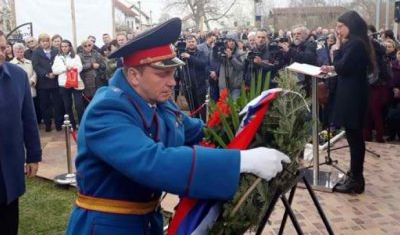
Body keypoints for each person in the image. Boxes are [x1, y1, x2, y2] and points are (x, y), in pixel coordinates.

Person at [66, 18, 290, 234]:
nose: (172, 82)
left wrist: (247, 122)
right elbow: (153, 161)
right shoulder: (107, 110)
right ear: (134, 75)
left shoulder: (156, 101)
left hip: (146, 221)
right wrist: (241, 161)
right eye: (163, 74)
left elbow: (202, 132)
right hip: (107, 227)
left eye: (173, 73)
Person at [321, 10, 376, 194]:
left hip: (353, 96)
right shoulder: (354, 43)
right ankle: (354, 175)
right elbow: (343, 66)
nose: (337, 30)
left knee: (354, 137)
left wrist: (336, 50)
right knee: (353, 136)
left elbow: (343, 67)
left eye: (340, 26)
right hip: (352, 93)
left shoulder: (355, 44)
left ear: (350, 26)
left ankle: (356, 180)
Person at [0, 30, 42, 235]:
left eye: (2, 48)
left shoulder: (17, 76)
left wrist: (33, 156)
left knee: (8, 223)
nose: (0, 53)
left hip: (9, 165)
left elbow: (29, 118)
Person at [31, 33, 64, 132]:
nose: (45, 43)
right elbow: (36, 65)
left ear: (49, 41)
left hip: (55, 81)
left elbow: (61, 62)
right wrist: (46, 74)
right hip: (43, 83)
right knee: (45, 105)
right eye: (42, 41)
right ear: (40, 42)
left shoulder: (56, 50)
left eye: (46, 41)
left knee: (57, 104)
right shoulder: (37, 52)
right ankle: (48, 124)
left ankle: (59, 124)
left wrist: (55, 72)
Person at [52, 39, 85, 130]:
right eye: (62, 46)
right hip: (63, 84)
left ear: (70, 47)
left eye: (66, 46)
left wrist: (72, 68)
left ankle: (82, 124)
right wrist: (64, 68)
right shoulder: (58, 57)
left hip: (75, 82)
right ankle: (72, 125)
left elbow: (80, 67)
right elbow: (54, 70)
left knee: (79, 105)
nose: (64, 48)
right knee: (67, 105)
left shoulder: (76, 56)